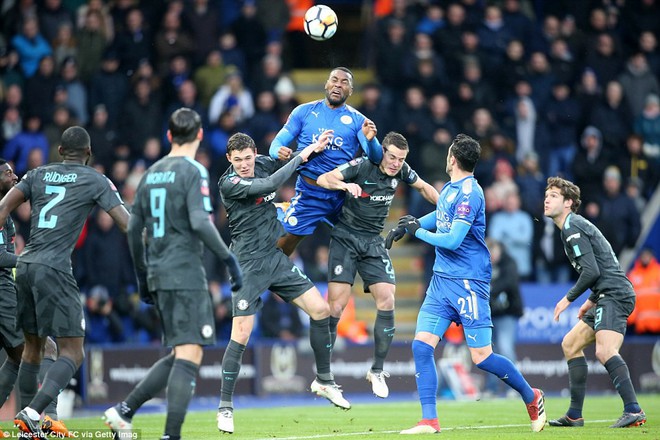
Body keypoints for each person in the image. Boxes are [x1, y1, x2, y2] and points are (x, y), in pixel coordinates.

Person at [388, 134, 546, 434]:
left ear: (452, 159)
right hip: (441, 281)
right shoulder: (449, 188)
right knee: (422, 347)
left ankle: (531, 395)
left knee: (482, 358)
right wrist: (412, 225)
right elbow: (441, 216)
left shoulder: (471, 193)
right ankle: (429, 420)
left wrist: (416, 234)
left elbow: (453, 239)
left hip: (469, 283)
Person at [103, 108, 242, 440]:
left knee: (182, 352)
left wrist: (142, 277)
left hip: (159, 272)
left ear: (168, 136)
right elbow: (199, 222)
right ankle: (171, 435)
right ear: (199, 135)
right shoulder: (193, 169)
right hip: (184, 272)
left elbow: (134, 229)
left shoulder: (150, 173)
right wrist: (228, 259)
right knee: (191, 353)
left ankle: (124, 411)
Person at [217, 131, 350, 435]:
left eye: (248, 158)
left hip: (274, 258)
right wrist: (304, 155)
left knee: (321, 310)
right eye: (237, 160)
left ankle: (324, 380)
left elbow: (285, 163)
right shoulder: (230, 183)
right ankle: (225, 406)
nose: (244, 165)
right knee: (241, 334)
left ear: (254, 153)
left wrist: (311, 150)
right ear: (229, 160)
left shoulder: (262, 163)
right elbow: (270, 185)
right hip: (246, 265)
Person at [0, 127, 130, 436]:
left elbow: (3, 207)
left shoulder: (36, 174)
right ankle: (34, 413)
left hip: (26, 265)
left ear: (59, 151)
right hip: (55, 268)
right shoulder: (95, 179)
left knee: (33, 350)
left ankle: (29, 428)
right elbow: (127, 224)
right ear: (88, 153)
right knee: (73, 352)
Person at [316, 131, 438, 398]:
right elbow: (324, 178)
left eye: (401, 159)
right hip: (345, 238)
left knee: (387, 298)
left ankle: (377, 370)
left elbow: (425, 188)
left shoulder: (402, 171)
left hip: (372, 242)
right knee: (336, 305)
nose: (395, 163)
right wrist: (344, 185)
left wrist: (446, 206)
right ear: (382, 150)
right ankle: (324, 376)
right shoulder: (362, 165)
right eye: (392, 157)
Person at [544, 176, 647, 428]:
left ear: (569, 203)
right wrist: (590, 300)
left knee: (604, 350)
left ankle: (634, 410)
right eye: (546, 195)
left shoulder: (572, 227)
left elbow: (591, 272)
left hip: (614, 294)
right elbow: (599, 266)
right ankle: (574, 415)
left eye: (554, 195)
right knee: (570, 344)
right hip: (604, 294)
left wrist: (566, 299)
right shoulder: (571, 227)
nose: (546, 199)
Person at [268, 67, 383, 256]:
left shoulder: (358, 120)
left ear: (351, 91)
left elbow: (376, 157)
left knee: (363, 244)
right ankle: (275, 277)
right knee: (286, 239)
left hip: (340, 195)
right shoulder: (303, 111)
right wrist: (277, 151)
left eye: (344, 82)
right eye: (334, 80)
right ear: (326, 84)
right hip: (309, 192)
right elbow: (276, 145)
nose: (338, 84)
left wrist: (371, 140)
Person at [484, 237, 524, 397]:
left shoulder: (509, 263)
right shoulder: (482, 263)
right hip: (488, 315)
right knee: (487, 352)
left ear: (499, 250)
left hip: (507, 313)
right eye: (489, 253)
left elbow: (509, 283)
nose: (492, 256)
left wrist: (489, 289)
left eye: (494, 252)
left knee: (506, 348)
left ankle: (514, 388)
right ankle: (491, 388)